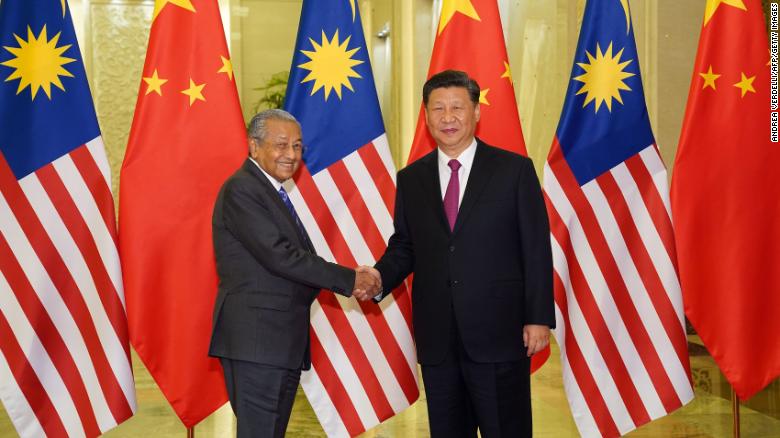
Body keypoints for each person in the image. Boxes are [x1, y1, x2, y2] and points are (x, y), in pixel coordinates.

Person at [358, 70, 554, 437]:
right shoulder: (411, 178)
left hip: (499, 333)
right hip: (438, 340)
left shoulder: (514, 170)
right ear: (426, 115)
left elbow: (536, 248)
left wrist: (538, 318)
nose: (448, 117)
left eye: (457, 108)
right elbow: (406, 244)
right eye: (438, 109)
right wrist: (379, 276)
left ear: (476, 112)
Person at [208, 109, 379, 437]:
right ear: (254, 147)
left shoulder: (270, 190)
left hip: (276, 342)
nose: (291, 154)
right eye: (281, 145)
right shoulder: (243, 189)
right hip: (257, 342)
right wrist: (349, 279)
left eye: (298, 146)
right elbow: (280, 257)